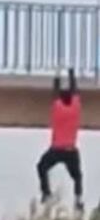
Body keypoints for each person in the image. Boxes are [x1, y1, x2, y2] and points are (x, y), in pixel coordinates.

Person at [37, 67, 83, 212]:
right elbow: (75, 90)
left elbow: (55, 92)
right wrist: (71, 73)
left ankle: (46, 193)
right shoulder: (75, 107)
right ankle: (78, 200)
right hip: (71, 150)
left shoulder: (58, 108)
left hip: (57, 149)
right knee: (77, 176)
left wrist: (57, 75)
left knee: (41, 167)